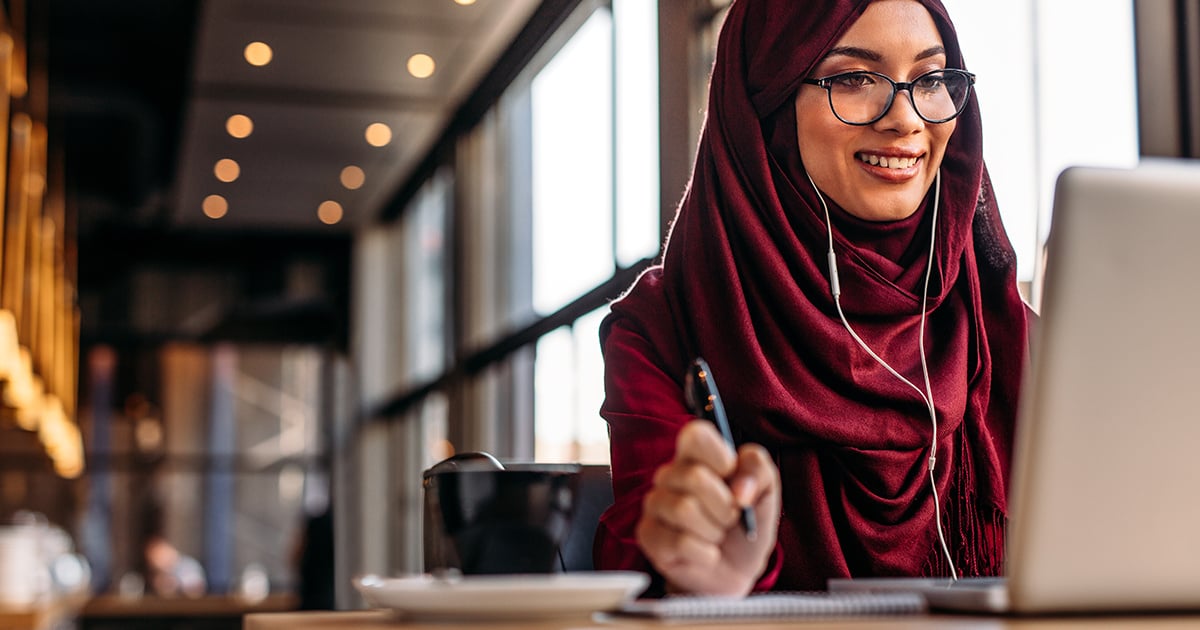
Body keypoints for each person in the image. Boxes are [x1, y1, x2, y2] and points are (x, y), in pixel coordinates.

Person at [595, 0, 1031, 596]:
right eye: (854, 78)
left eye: (930, 79)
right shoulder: (666, 324)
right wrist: (697, 571)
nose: (906, 121)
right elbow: (641, 551)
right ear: (765, 108)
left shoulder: (999, 324)